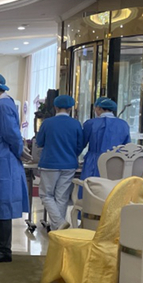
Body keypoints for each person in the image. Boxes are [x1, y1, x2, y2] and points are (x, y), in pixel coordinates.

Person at [0, 73, 28, 264]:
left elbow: (12, 134)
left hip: (4, 160)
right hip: (0, 158)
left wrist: (19, 152)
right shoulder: (0, 104)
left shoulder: (2, 105)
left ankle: (3, 249)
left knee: (3, 205)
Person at [36, 94, 84, 231]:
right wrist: (71, 155)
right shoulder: (75, 124)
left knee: (46, 195)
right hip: (69, 164)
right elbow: (80, 145)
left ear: (55, 107)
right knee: (62, 197)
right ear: (70, 108)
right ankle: (58, 230)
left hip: (49, 163)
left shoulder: (47, 123)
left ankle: (59, 222)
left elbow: (39, 142)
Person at [80, 97, 131, 180]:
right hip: (116, 162)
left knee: (91, 185)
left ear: (98, 108)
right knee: (113, 185)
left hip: (93, 162)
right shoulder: (123, 124)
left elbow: (81, 143)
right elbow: (127, 147)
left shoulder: (91, 124)